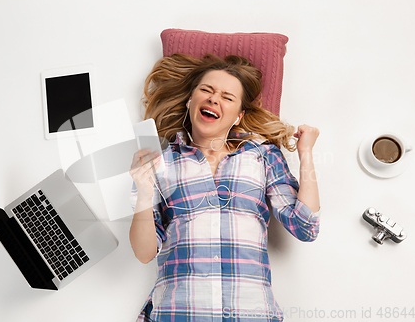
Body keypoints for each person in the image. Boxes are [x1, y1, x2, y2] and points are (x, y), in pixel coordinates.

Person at [129, 53, 320, 322]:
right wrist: (144, 193)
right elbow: (144, 252)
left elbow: (306, 227)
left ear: (239, 115)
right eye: (206, 90)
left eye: (227, 97)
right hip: (179, 313)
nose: (214, 98)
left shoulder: (261, 155)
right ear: (189, 101)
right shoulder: (160, 161)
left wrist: (306, 153)